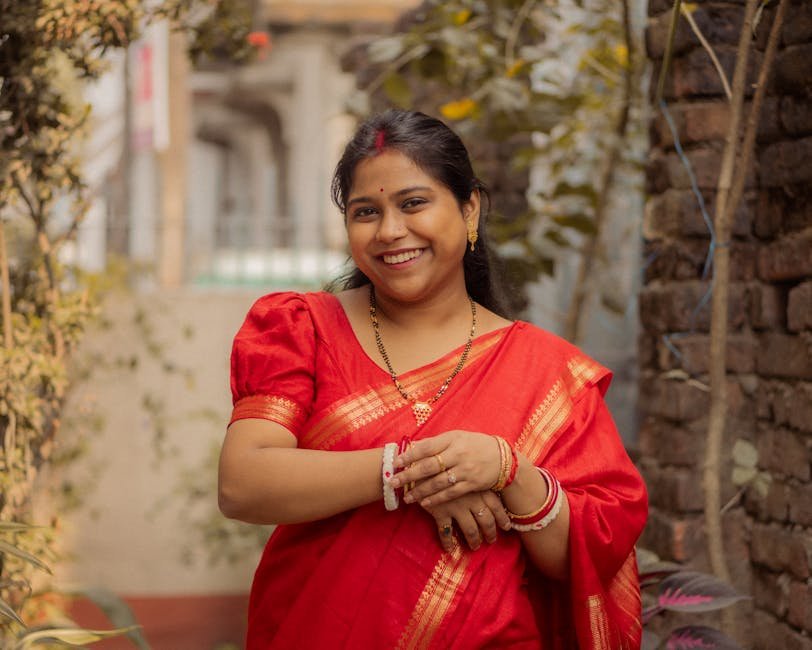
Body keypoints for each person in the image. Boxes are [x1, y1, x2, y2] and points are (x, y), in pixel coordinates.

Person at [218, 109, 648, 649]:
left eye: (414, 203)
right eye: (366, 211)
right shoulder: (302, 328)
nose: (391, 231)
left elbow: (585, 556)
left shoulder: (548, 372)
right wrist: (413, 473)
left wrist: (506, 471)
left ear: (469, 210)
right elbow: (243, 483)